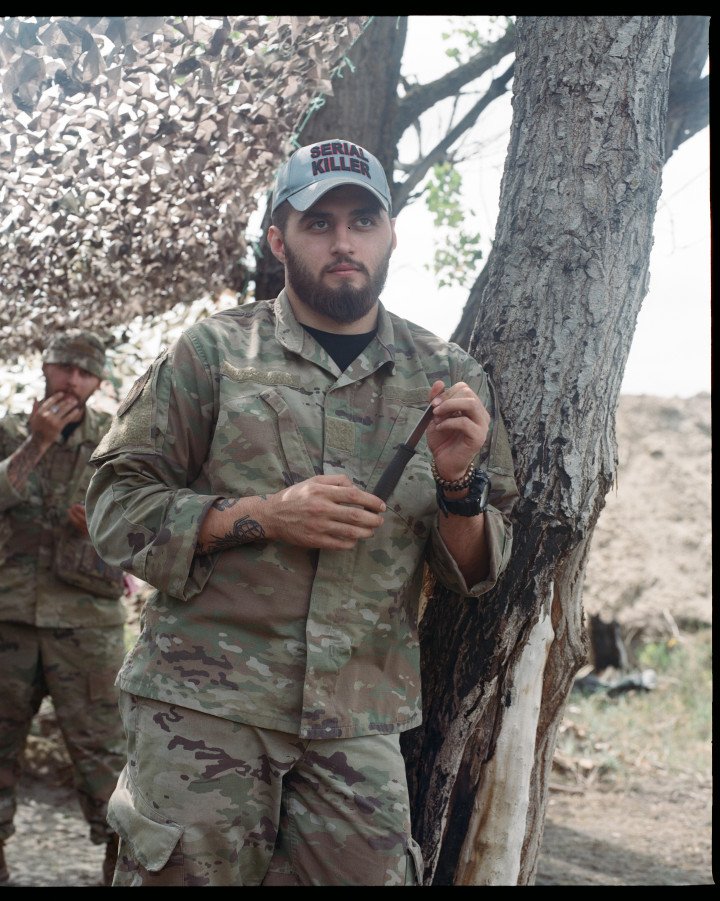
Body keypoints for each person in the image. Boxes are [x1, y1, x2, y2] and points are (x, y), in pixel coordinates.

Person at [85, 137, 519, 887]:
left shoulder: (446, 376)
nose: (343, 241)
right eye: (318, 224)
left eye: (362, 220)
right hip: (202, 707)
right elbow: (115, 508)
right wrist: (262, 514)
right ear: (278, 238)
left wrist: (458, 486)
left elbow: (478, 572)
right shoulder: (212, 353)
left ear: (390, 234)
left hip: (358, 719)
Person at [0, 329, 126, 886]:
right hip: (8, 619)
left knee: (104, 751)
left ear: (98, 382)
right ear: (44, 369)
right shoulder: (9, 431)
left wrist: (102, 529)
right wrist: (37, 443)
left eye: (84, 372)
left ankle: (118, 860)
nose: (72, 381)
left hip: (87, 622)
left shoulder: (118, 440)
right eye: (63, 368)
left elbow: (146, 522)